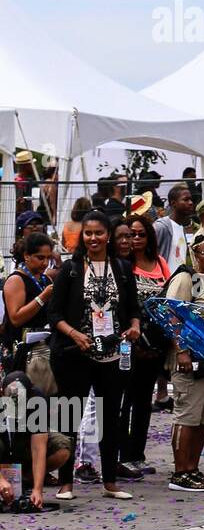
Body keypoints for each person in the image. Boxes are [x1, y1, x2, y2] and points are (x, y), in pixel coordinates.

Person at [45, 210, 141, 500]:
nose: (93, 238)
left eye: (99, 233)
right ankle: (66, 482)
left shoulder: (122, 268)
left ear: (108, 235)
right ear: (82, 236)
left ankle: (110, 482)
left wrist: (134, 326)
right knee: (69, 416)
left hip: (113, 354)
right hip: (76, 353)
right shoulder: (71, 269)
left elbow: (134, 309)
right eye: (88, 233)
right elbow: (54, 312)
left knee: (111, 417)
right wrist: (75, 334)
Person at [163, 233, 204, 492]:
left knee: (203, 418)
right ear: (196, 254)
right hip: (189, 360)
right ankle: (180, 472)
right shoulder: (187, 278)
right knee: (187, 416)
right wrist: (182, 351)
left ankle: (193, 469)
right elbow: (172, 313)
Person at [116, 214, 170, 476]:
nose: (135, 239)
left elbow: (170, 297)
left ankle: (137, 453)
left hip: (156, 342)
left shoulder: (160, 263)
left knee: (143, 401)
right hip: (130, 341)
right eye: (130, 234)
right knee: (124, 399)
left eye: (140, 234)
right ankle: (122, 454)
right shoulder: (122, 264)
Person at [1, 370, 72, 511]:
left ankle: (24, 481)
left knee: (62, 448)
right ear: (2, 393)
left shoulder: (37, 399)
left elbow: (38, 448)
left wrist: (37, 489)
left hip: (23, 441)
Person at [3, 232, 56, 386]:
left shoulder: (46, 279)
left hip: (42, 350)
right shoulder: (16, 280)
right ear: (27, 256)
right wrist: (43, 297)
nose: (45, 263)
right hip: (20, 352)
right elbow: (16, 318)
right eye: (40, 258)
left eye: (48, 258)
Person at [152, 183, 195, 270]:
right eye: (185, 200)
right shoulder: (161, 227)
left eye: (191, 199)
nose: (190, 203)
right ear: (173, 203)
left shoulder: (181, 227)